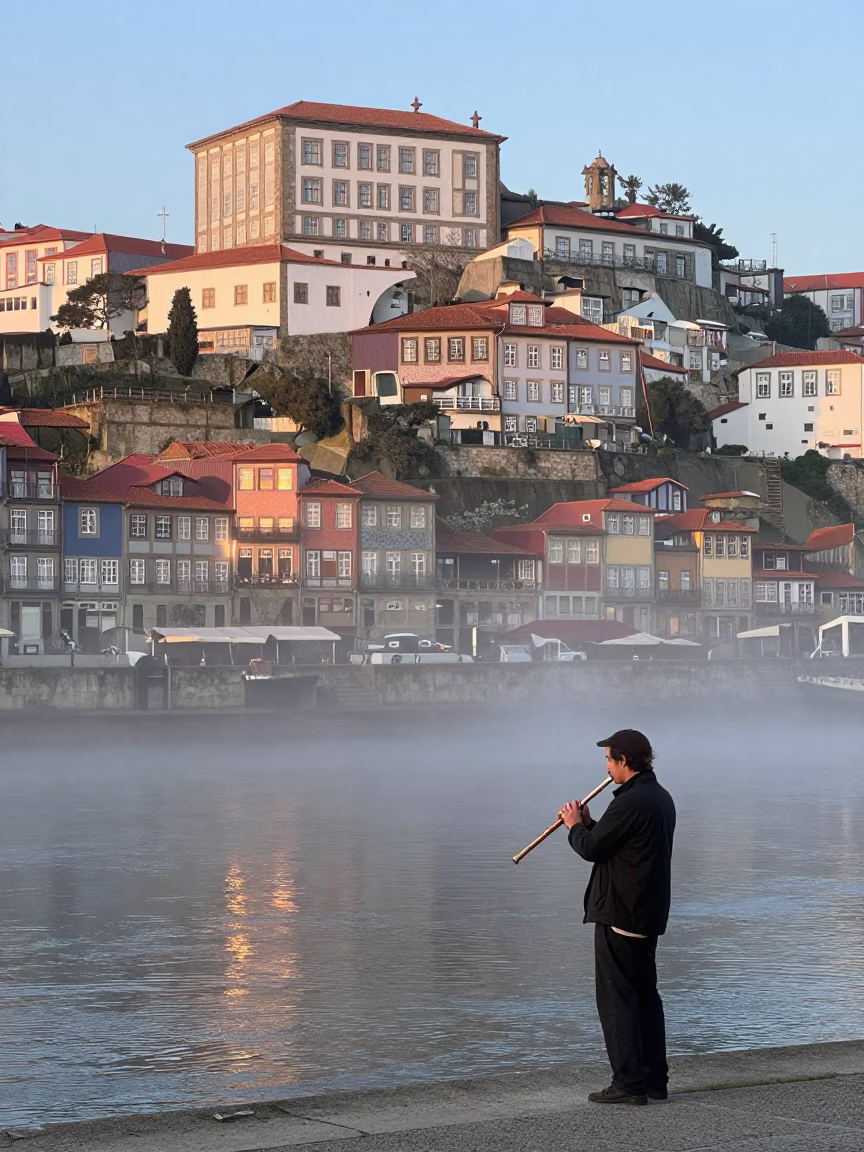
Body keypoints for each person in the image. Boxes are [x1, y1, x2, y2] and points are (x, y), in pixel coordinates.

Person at [558, 729, 676, 1107]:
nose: (607, 768)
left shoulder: (629, 802)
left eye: (609, 760)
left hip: (621, 913)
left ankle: (628, 1083)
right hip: (646, 912)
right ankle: (655, 1080)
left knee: (617, 998)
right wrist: (592, 825)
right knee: (645, 995)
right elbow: (618, 845)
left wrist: (575, 826)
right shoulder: (658, 797)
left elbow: (592, 850)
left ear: (624, 761)